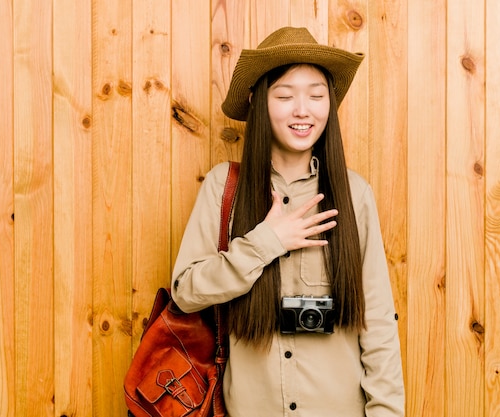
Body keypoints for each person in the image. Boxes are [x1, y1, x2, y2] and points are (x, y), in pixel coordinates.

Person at [171, 26, 405, 416]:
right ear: (257, 102)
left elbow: (378, 323)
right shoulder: (223, 187)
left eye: (316, 96)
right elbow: (186, 291)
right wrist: (266, 242)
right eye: (285, 96)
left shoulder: (354, 194)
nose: (303, 110)